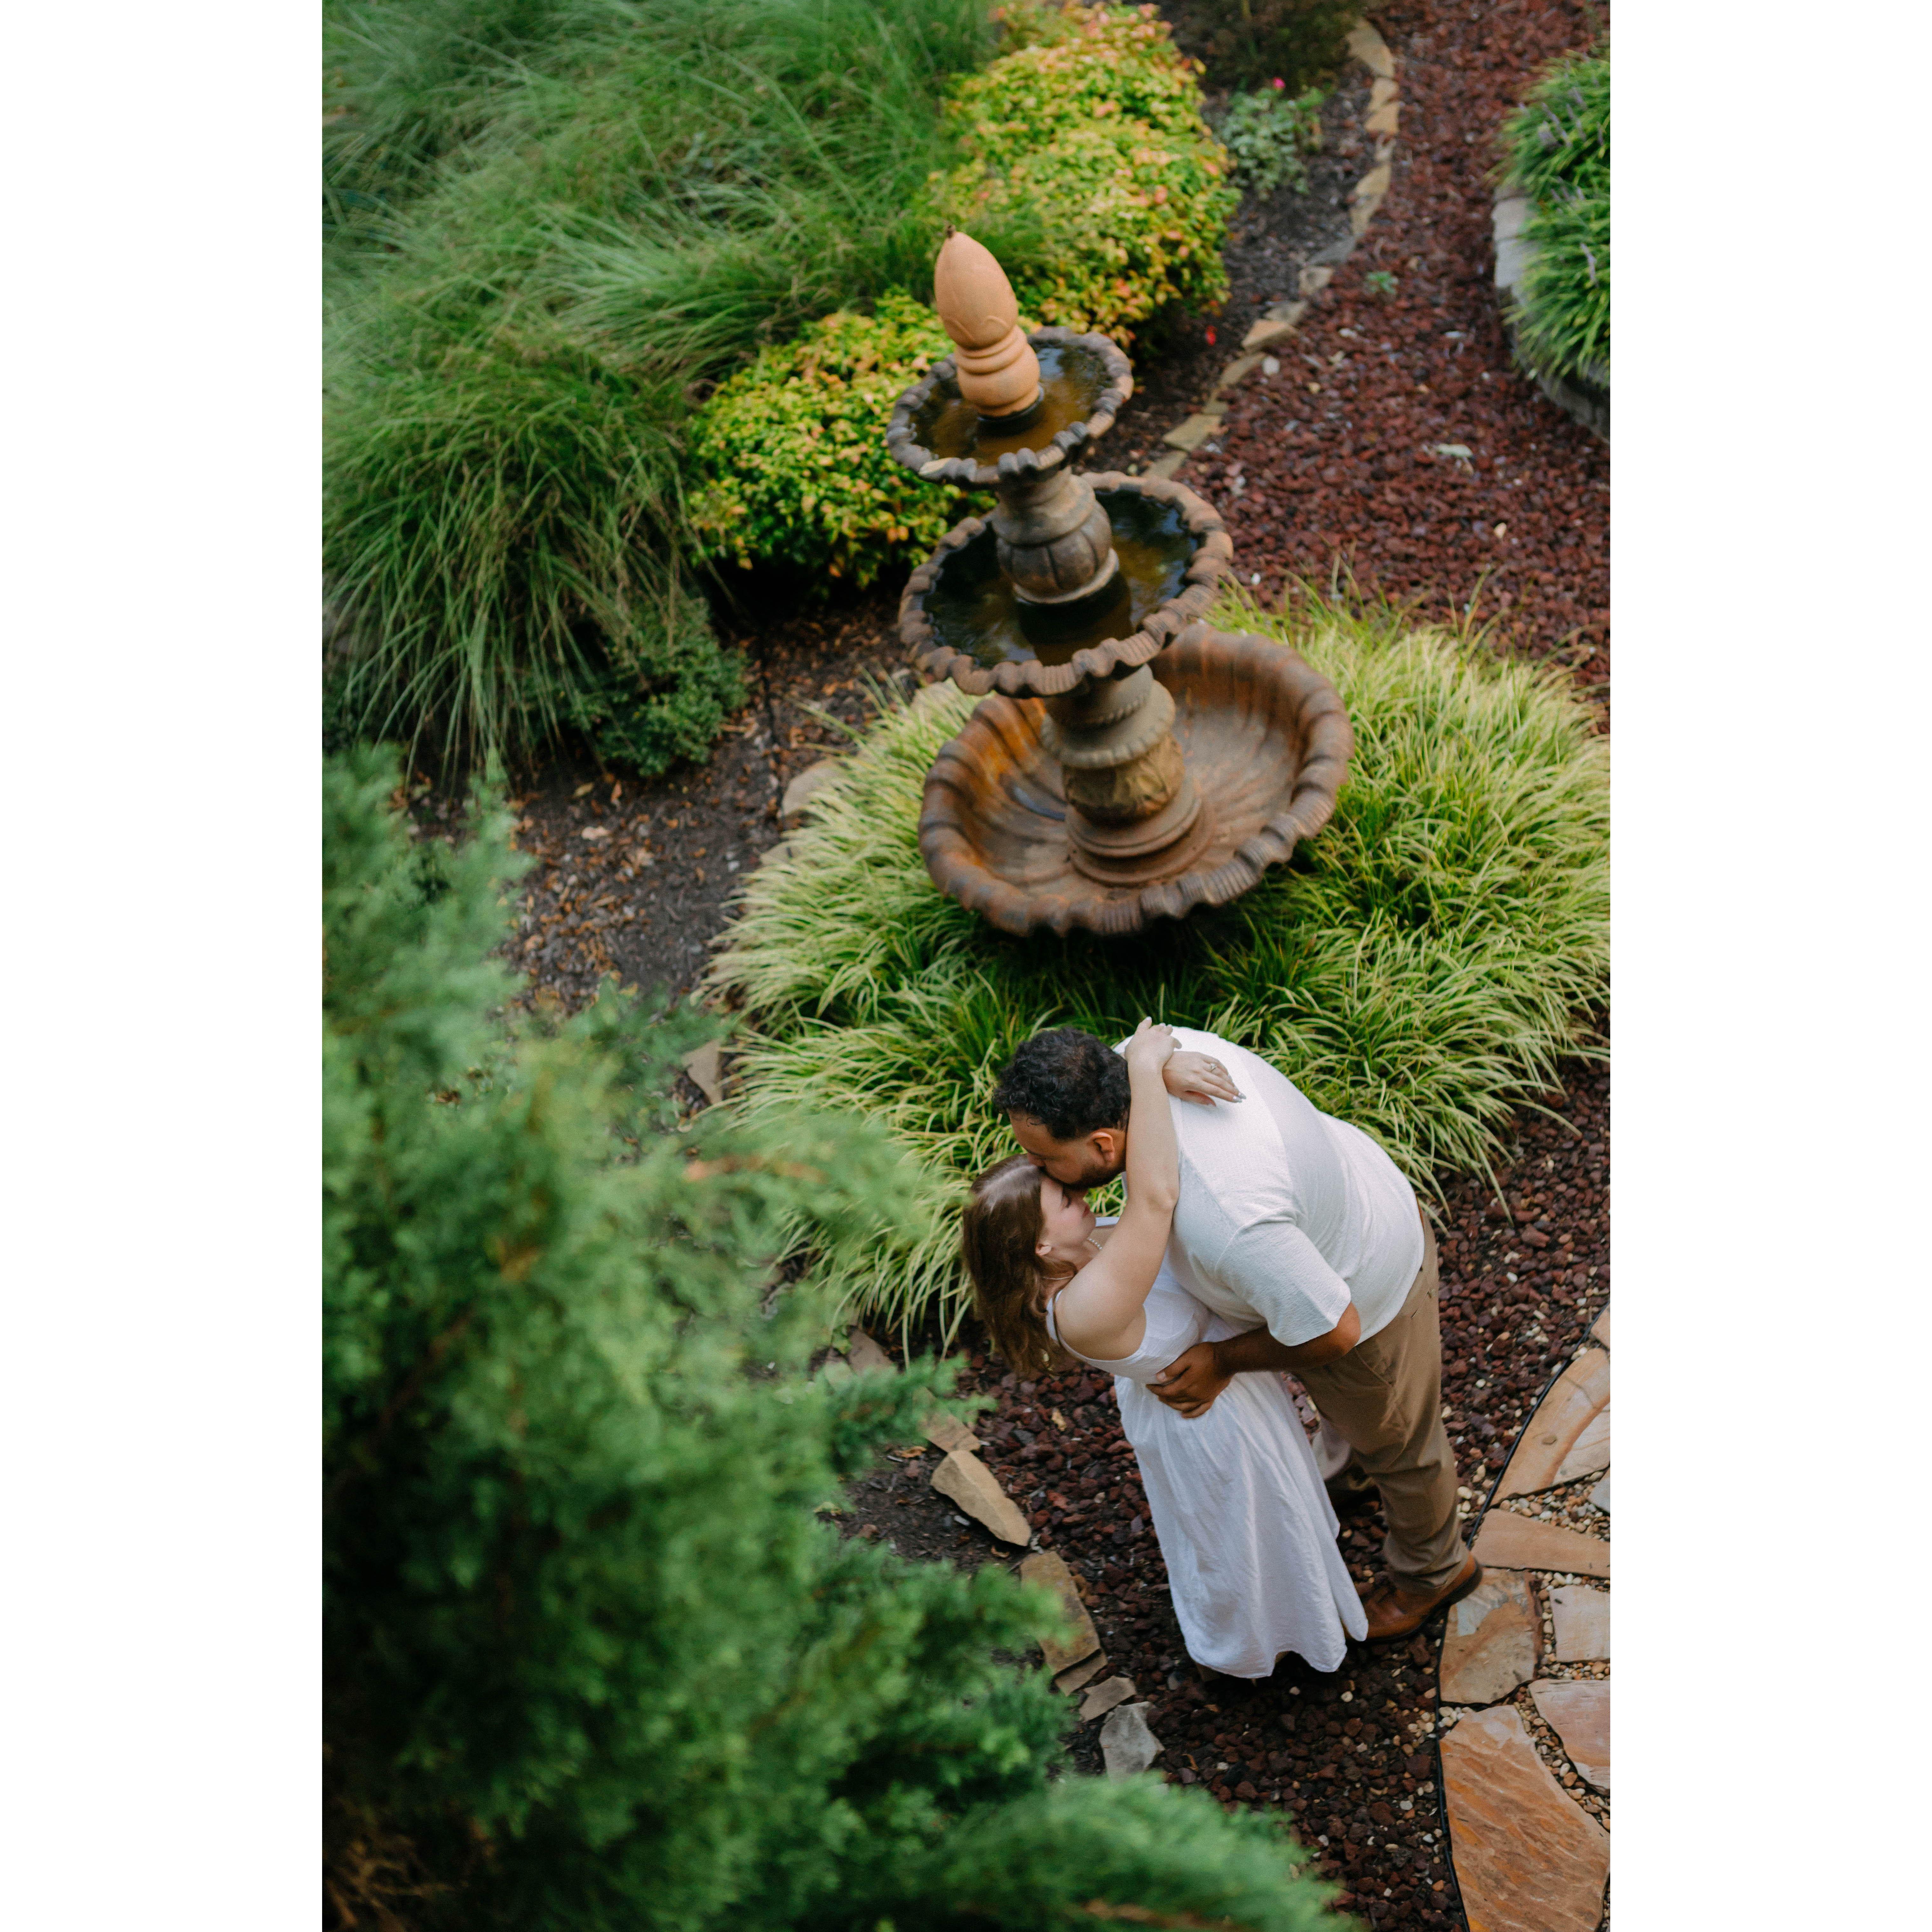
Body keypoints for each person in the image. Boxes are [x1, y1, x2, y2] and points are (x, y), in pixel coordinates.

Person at [990, 1024, 1480, 1642]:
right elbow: (1143, 1050)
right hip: (1323, 1224)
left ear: (1104, 1143)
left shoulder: (1226, 1218)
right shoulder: (1126, 1071)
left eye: (1044, 1159)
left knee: (1401, 1446)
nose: (1036, 1170)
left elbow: (1335, 1331)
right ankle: (1350, 1472)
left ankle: (1434, 1572)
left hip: (1363, 1290)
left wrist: (1222, 1359)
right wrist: (1154, 1068)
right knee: (1351, 1417)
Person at [961, 1019, 1366, 1678]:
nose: (1069, 1183)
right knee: (1243, 1541)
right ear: (1040, 1243)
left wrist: (1144, 1087)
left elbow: (1123, 1146)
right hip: (1210, 1420)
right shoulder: (1084, 1309)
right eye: (1059, 1193)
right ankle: (1253, 1652)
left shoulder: (1076, 1250)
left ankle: (1302, 1612)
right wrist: (1146, 1066)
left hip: (1218, 1391)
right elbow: (1154, 1195)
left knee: (1273, 1524)